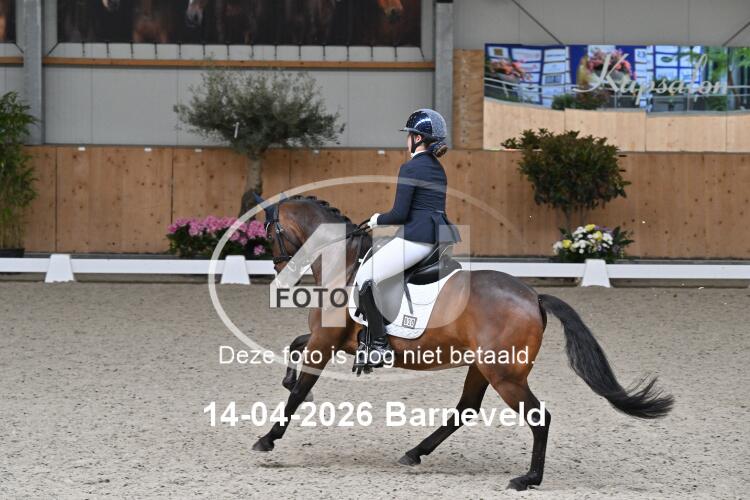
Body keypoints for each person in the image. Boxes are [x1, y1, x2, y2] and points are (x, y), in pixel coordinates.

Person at [354, 108, 461, 371]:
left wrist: (376, 219)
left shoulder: (411, 167)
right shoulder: (437, 168)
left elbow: (400, 214)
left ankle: (379, 344)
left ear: (418, 138)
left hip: (417, 239)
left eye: (409, 135)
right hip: (436, 238)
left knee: (365, 277)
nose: (407, 140)